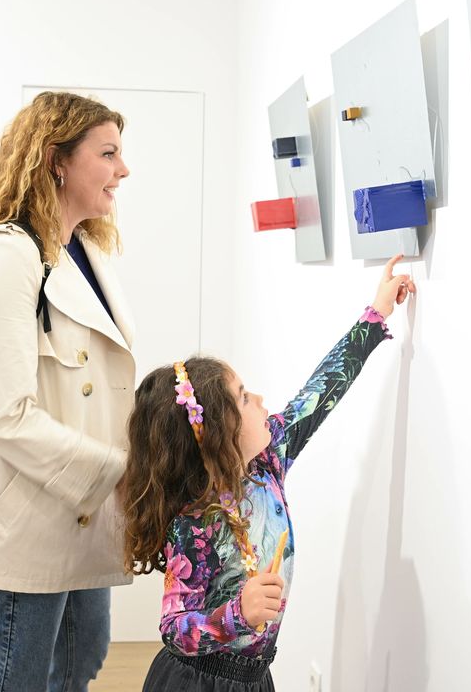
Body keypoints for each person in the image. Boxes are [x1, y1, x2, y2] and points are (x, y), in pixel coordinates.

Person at [121, 255, 416, 690]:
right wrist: (237, 613)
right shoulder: (196, 521)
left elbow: (319, 392)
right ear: (218, 433)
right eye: (243, 397)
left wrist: (375, 316)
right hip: (198, 684)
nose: (259, 399)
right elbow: (174, 628)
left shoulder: (268, 460)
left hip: (255, 679)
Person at [0, 91, 135, 691]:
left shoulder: (85, 252)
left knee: (79, 664)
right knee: (15, 680)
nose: (123, 170)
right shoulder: (7, 257)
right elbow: (3, 415)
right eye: (108, 154)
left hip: (84, 511)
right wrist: (117, 470)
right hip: (26, 516)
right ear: (57, 160)